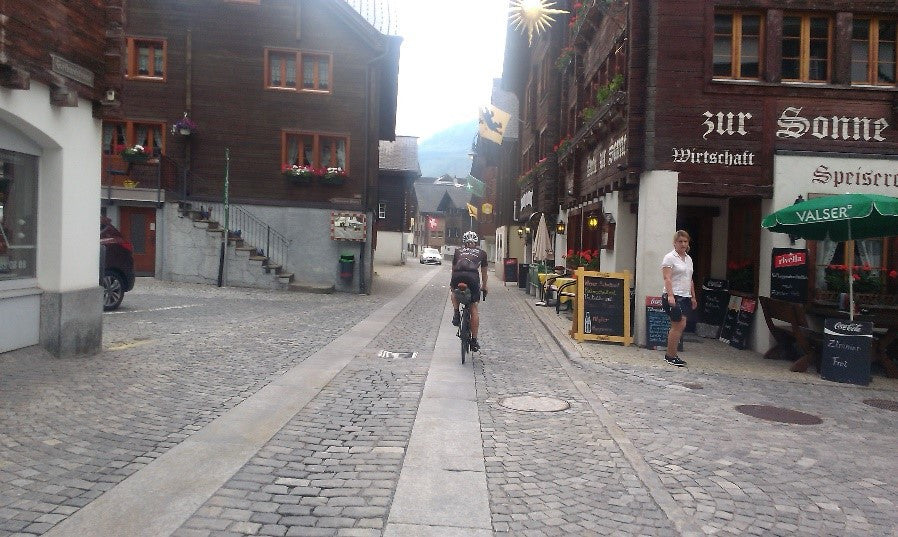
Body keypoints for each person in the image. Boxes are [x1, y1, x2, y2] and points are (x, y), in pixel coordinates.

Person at [660, 229, 697, 367]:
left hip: (685, 296)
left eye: (685, 241)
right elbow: (667, 277)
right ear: (675, 243)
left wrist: (693, 297)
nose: (683, 244)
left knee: (681, 325)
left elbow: (690, 279)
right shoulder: (670, 257)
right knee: (678, 324)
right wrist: (670, 296)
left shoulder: (688, 259)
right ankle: (670, 355)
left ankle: (672, 354)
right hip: (674, 295)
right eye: (680, 241)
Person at [451, 231, 488, 352]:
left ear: (464, 243)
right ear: (476, 243)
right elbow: (484, 272)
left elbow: (453, 268)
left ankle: (456, 313)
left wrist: (452, 285)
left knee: (453, 292)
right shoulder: (482, 253)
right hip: (472, 277)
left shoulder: (457, 251)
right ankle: (474, 340)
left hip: (457, 275)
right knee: (473, 307)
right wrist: (484, 286)